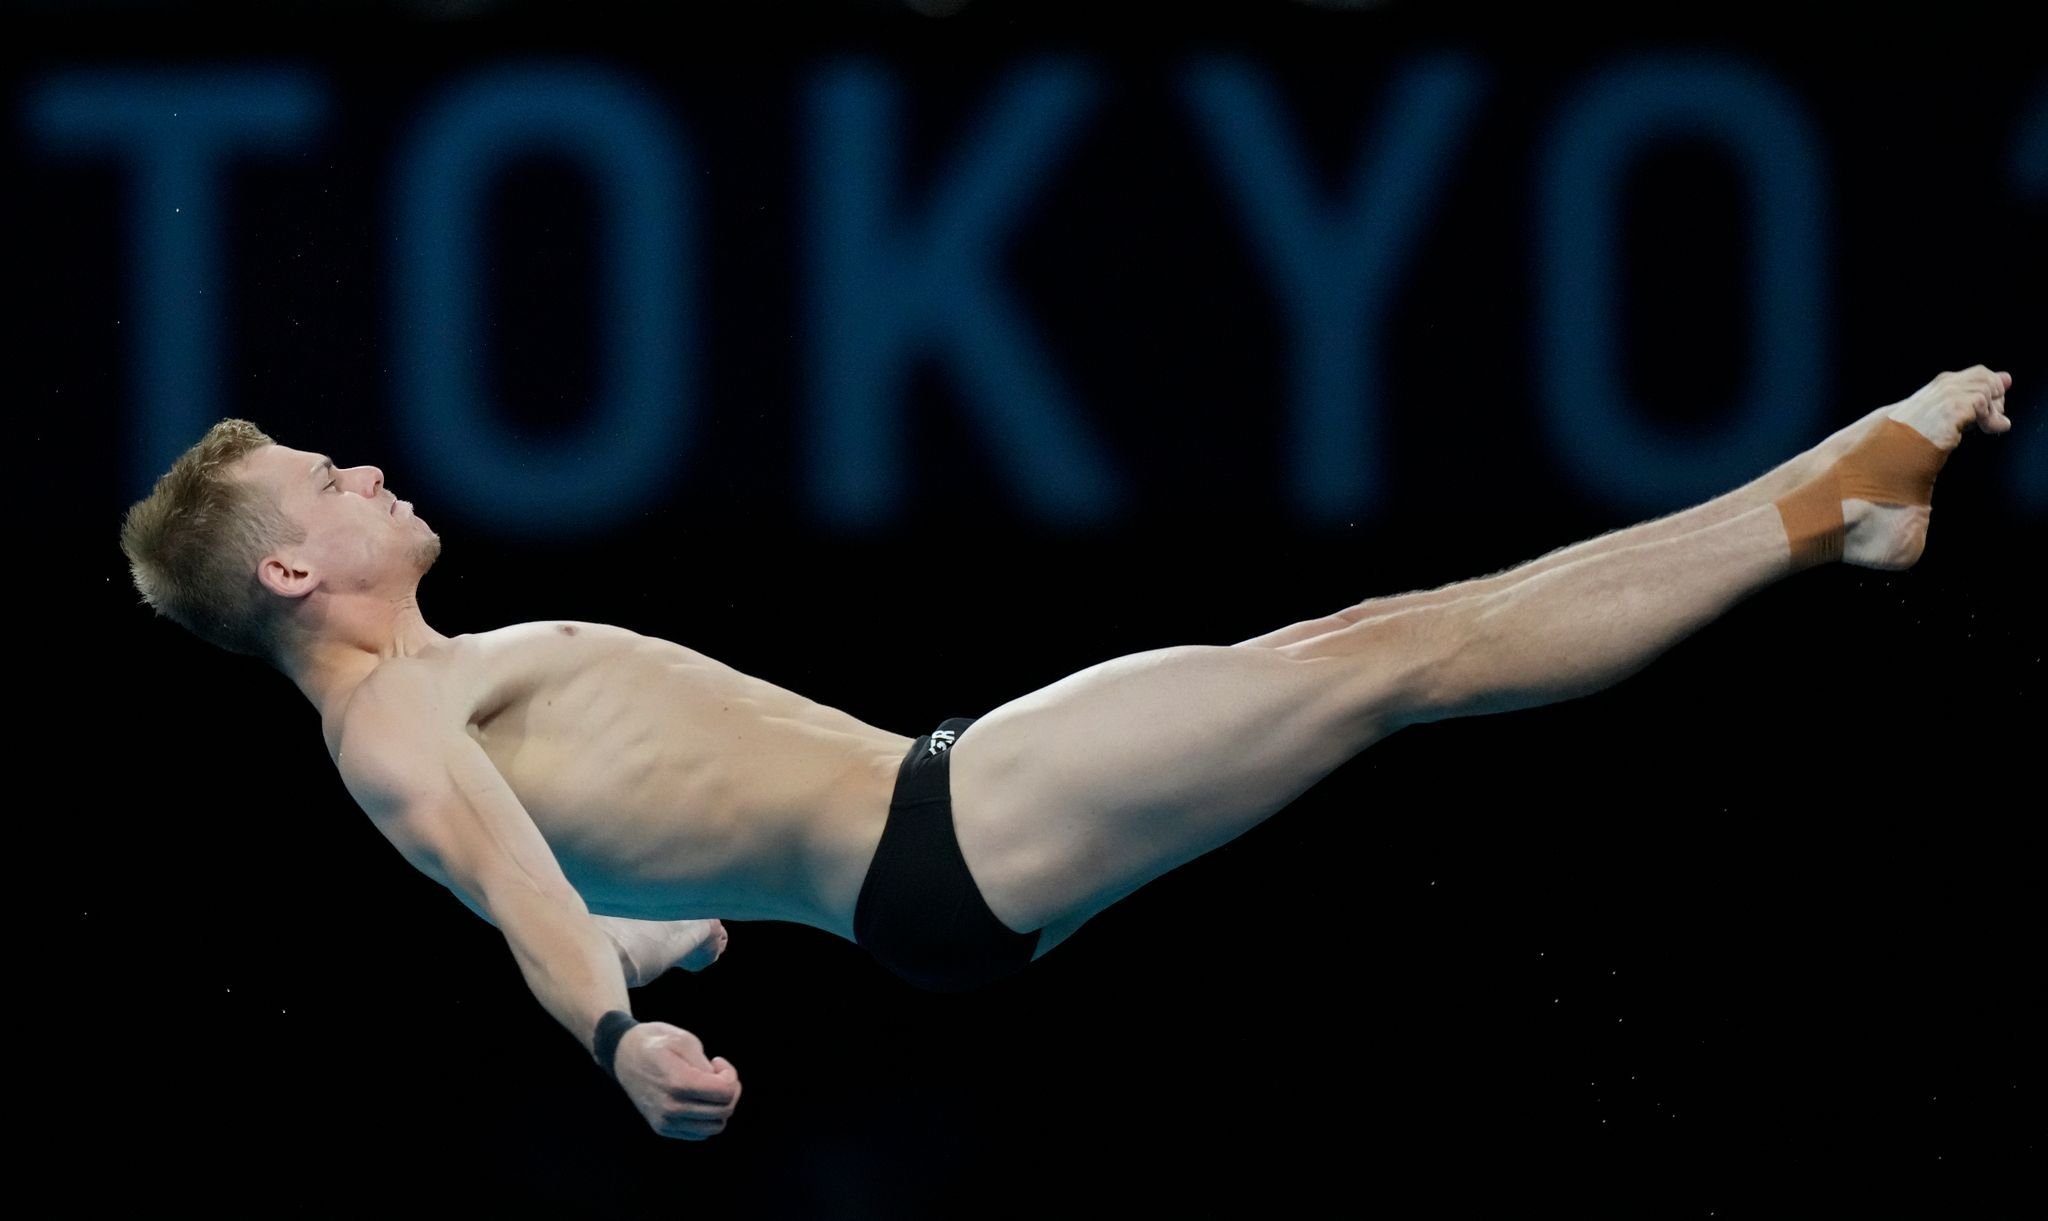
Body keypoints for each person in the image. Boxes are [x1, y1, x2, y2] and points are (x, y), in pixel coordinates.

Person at [118, 366, 2012, 1140]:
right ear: (290, 569)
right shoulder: (394, 718)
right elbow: (523, 892)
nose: (369, 470)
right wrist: (613, 1034)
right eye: (331, 481)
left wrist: (656, 942)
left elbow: (554, 883)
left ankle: (1824, 505)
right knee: (1395, 655)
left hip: (943, 818)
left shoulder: (429, 695)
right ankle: (1829, 506)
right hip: (943, 837)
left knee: (1371, 644)